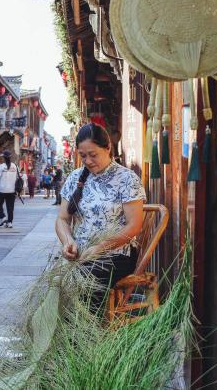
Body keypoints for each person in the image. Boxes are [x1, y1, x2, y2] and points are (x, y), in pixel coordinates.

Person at [55, 123, 146, 313]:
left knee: (84, 280)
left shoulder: (126, 178)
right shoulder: (75, 178)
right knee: (56, 280)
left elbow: (134, 225)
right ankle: (72, 329)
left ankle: (86, 329)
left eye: (93, 154)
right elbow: (62, 219)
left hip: (115, 255)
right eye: (83, 155)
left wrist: (99, 248)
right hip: (81, 254)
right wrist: (68, 241)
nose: (87, 161)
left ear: (108, 148)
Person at [0, 150, 19, 228]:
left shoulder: (1, 166)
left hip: (1, 190)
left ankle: (3, 217)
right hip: (12, 190)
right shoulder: (15, 166)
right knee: (10, 207)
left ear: (4, 158)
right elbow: (17, 177)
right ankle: (10, 222)